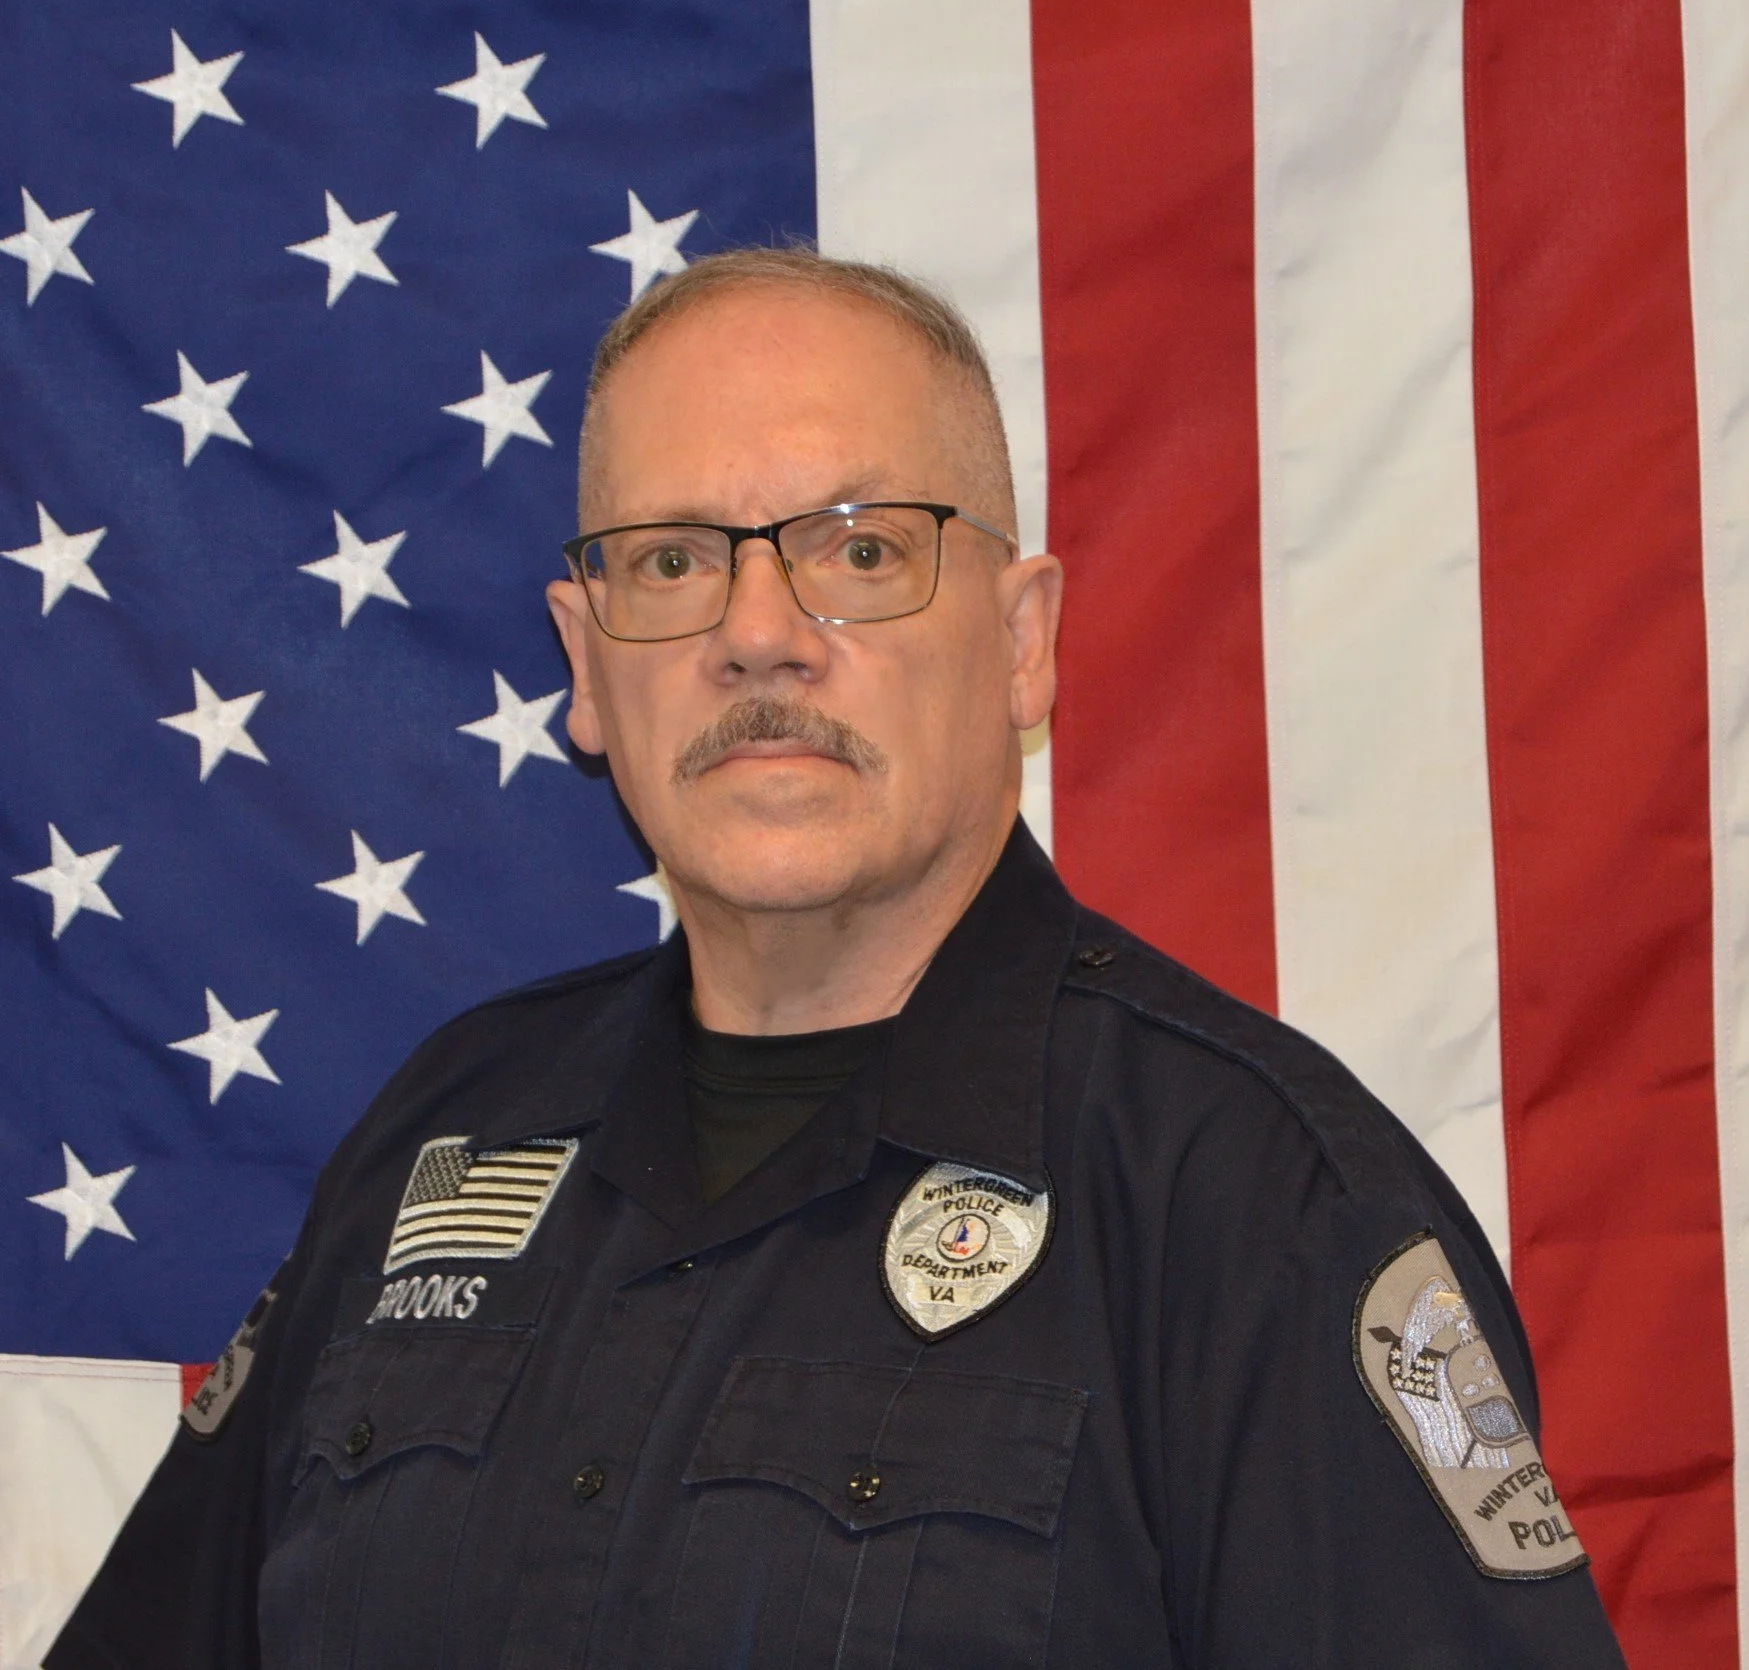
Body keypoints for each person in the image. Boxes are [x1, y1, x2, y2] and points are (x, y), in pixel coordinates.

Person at [48, 248, 1628, 1668]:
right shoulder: (435, 1145)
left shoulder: (1252, 1209)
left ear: (1023, 643)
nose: (760, 629)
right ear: (586, 664)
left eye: (861, 550)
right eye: (673, 561)